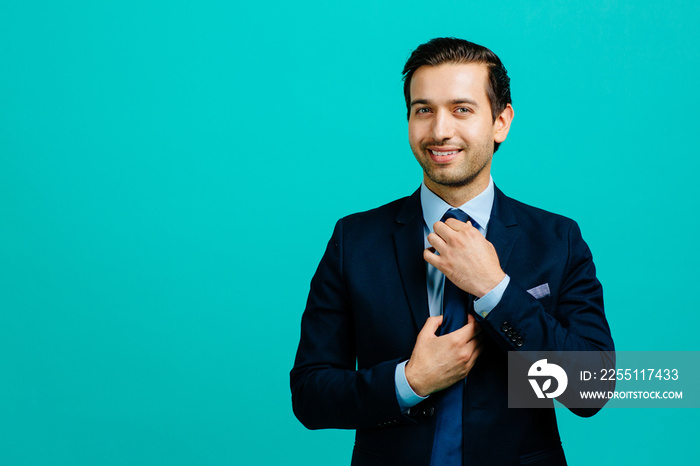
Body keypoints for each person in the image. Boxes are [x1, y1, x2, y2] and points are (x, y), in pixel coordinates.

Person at [290, 37, 614, 466]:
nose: (440, 130)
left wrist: (496, 291)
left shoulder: (558, 238)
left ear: (500, 122)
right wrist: (409, 381)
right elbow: (310, 396)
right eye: (424, 110)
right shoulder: (355, 240)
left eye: (462, 109)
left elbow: (590, 390)